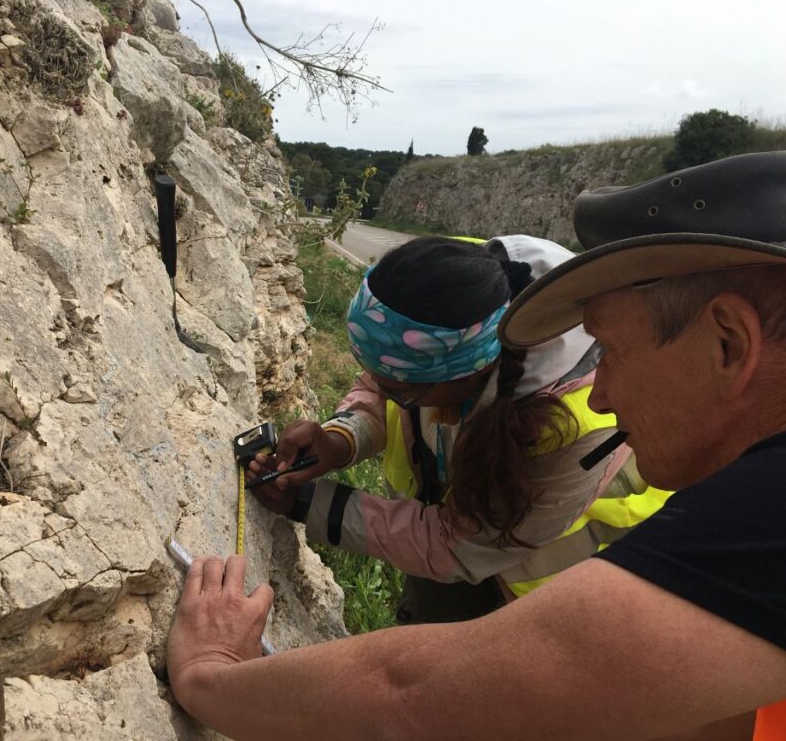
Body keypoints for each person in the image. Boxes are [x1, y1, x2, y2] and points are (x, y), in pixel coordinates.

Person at [166, 150, 786, 741]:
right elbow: (703, 727)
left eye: (614, 354)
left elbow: (413, 700)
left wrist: (208, 678)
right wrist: (343, 437)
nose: (603, 397)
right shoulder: (473, 292)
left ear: (729, 344)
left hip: (541, 585)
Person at [249, 234, 667, 623]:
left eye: (400, 393)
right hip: (455, 545)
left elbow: (458, 546)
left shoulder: (576, 427)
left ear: (470, 374)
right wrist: (341, 438)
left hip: (540, 592)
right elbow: (385, 382)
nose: (383, 393)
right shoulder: (449, 285)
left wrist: (307, 503)